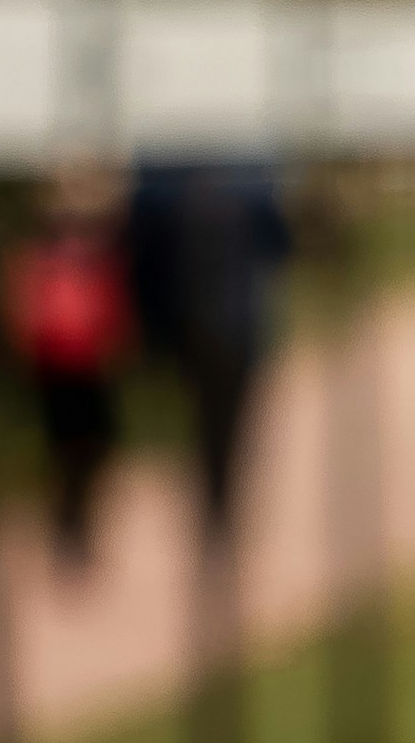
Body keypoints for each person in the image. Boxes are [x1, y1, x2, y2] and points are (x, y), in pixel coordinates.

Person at [121, 161, 292, 542]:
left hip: (205, 327)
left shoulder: (169, 179)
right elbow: (281, 245)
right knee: (223, 418)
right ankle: (218, 502)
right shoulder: (249, 179)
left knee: (213, 418)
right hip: (225, 327)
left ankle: (217, 502)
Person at [0, 175, 134, 567]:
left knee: (84, 449)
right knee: (72, 449)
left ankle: (72, 521)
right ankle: (69, 523)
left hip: (82, 363)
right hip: (61, 362)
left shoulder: (90, 248)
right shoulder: (55, 250)